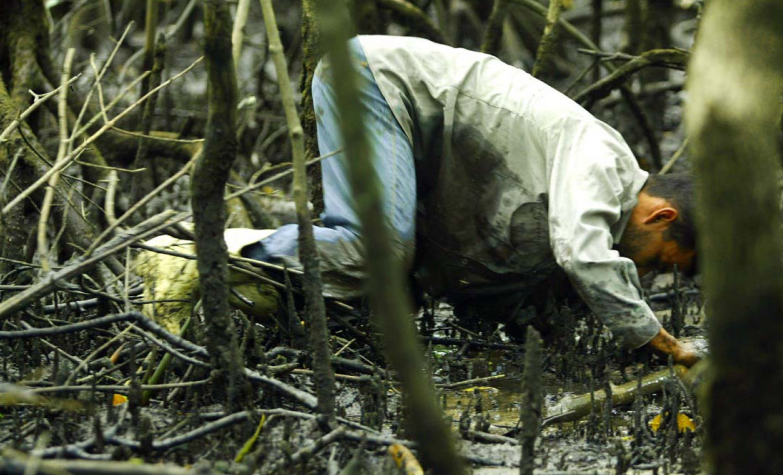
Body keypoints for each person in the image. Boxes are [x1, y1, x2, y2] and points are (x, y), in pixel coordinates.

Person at [240, 35, 700, 366]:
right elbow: (581, 254)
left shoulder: (590, 194)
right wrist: (658, 341)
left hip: (413, 135)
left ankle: (254, 293)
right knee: (377, 250)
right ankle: (226, 250)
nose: (643, 274)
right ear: (662, 216)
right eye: (659, 262)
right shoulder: (602, 161)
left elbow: (512, 276)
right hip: (375, 80)